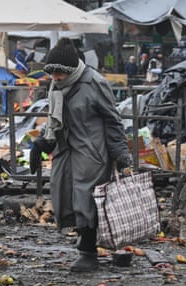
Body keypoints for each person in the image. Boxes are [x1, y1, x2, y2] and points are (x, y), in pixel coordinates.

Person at [29, 38, 132, 272]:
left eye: (59, 73)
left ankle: (88, 252)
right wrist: (41, 144)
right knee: (61, 191)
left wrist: (121, 154)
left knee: (86, 198)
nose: (54, 78)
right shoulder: (57, 84)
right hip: (66, 148)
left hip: (91, 149)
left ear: (71, 70)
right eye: (52, 73)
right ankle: (83, 237)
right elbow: (54, 119)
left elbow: (113, 121)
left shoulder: (94, 83)